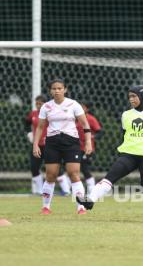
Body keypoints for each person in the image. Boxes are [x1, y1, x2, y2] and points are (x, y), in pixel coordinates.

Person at [77, 85, 143, 220]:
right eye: (130, 96)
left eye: (134, 96)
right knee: (110, 177)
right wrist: (122, 152)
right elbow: (125, 136)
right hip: (129, 154)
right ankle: (90, 200)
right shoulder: (126, 115)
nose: (131, 99)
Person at [33, 78, 92, 215]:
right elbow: (40, 127)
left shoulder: (73, 104)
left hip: (71, 142)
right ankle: (46, 207)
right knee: (51, 175)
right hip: (52, 143)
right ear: (50, 91)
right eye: (54, 88)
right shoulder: (46, 107)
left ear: (65, 89)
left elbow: (85, 125)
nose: (57, 91)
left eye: (60, 88)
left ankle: (81, 207)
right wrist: (35, 144)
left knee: (74, 174)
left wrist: (88, 142)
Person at [25, 95, 71, 195]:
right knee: (34, 167)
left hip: (49, 145)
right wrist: (29, 133)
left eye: (40, 104)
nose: (37, 106)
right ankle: (40, 191)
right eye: (36, 104)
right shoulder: (33, 114)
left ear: (45, 104)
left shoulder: (51, 113)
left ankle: (66, 190)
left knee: (54, 167)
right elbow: (26, 123)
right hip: (37, 145)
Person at [76, 102, 104, 194]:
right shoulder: (75, 119)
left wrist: (92, 137)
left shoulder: (91, 119)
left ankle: (92, 191)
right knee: (72, 168)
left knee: (84, 168)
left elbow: (100, 132)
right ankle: (73, 190)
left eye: (83, 107)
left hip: (87, 148)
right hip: (76, 147)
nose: (81, 109)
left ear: (87, 109)